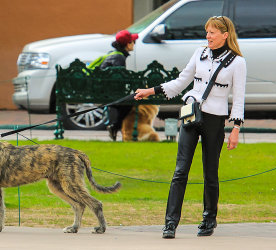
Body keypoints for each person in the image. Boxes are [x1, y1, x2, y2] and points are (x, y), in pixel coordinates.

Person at [134, 16, 246, 238]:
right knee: (180, 171)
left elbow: (239, 98)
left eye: (212, 33)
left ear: (225, 35)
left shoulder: (237, 62)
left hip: (215, 119)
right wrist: (150, 91)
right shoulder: (200, 53)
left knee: (210, 172)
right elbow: (180, 82)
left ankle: (208, 219)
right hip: (191, 114)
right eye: (207, 32)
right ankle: (170, 223)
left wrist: (235, 129)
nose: (208, 36)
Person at [103, 30, 138, 141]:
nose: (134, 44)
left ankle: (115, 127)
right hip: (108, 93)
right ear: (127, 44)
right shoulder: (119, 58)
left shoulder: (113, 54)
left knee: (128, 101)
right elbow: (118, 80)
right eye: (133, 42)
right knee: (132, 100)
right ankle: (115, 127)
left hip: (102, 91)